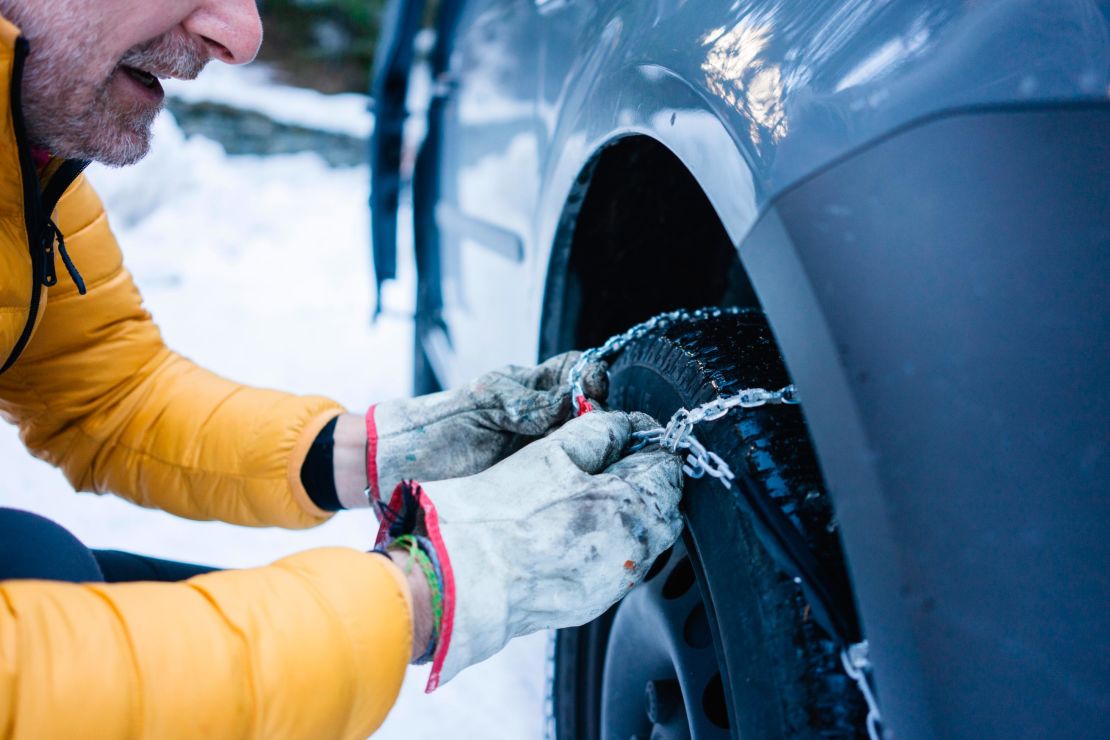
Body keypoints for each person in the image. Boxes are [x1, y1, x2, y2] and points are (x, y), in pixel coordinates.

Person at [0, 1, 685, 737]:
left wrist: (369, 452)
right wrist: (426, 595)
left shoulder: (23, 167)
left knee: (39, 558)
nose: (241, 35)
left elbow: (104, 395)